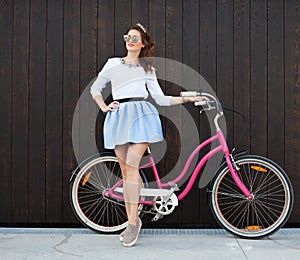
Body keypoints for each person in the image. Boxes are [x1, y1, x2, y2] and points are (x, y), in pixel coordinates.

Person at [90, 23, 207, 247]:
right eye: (128, 36)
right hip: (118, 116)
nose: (130, 40)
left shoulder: (147, 68)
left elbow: (161, 99)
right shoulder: (113, 63)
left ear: (143, 43)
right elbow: (96, 89)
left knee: (132, 167)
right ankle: (132, 221)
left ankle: (133, 223)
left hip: (141, 115)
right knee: (125, 172)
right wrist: (104, 107)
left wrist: (186, 99)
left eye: (135, 38)